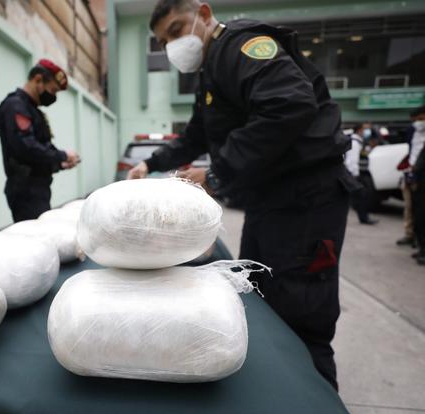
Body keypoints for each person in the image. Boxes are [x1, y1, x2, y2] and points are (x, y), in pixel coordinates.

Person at [128, 0, 359, 390]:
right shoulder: (212, 74)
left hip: (305, 202)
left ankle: (315, 399)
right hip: (269, 201)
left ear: (203, 13)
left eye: (177, 29)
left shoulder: (241, 47)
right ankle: (278, 393)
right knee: (262, 296)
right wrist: (150, 165)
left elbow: (289, 104)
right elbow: (195, 136)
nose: (174, 44)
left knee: (301, 314)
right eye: (165, 40)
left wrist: (216, 173)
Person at [0, 60, 80, 222]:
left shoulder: (33, 110)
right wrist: (62, 155)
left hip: (37, 189)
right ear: (38, 80)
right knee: (34, 241)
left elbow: (41, 150)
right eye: (53, 90)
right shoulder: (15, 106)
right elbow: (26, 148)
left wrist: (59, 164)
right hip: (25, 191)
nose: (53, 96)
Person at [345, 123, 378, 225]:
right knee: (362, 196)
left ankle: (364, 217)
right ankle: (364, 218)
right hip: (356, 174)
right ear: (359, 130)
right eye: (365, 129)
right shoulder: (355, 143)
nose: (367, 131)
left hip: (359, 173)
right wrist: (355, 176)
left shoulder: (360, 142)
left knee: (361, 197)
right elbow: (351, 160)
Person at [396, 111, 418, 247]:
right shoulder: (412, 132)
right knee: (409, 208)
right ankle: (410, 234)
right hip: (410, 176)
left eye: (421, 119)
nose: (417, 123)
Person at [408, 106, 425, 265]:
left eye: (421, 119)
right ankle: (421, 247)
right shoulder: (416, 135)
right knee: (417, 216)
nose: (418, 123)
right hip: (418, 182)